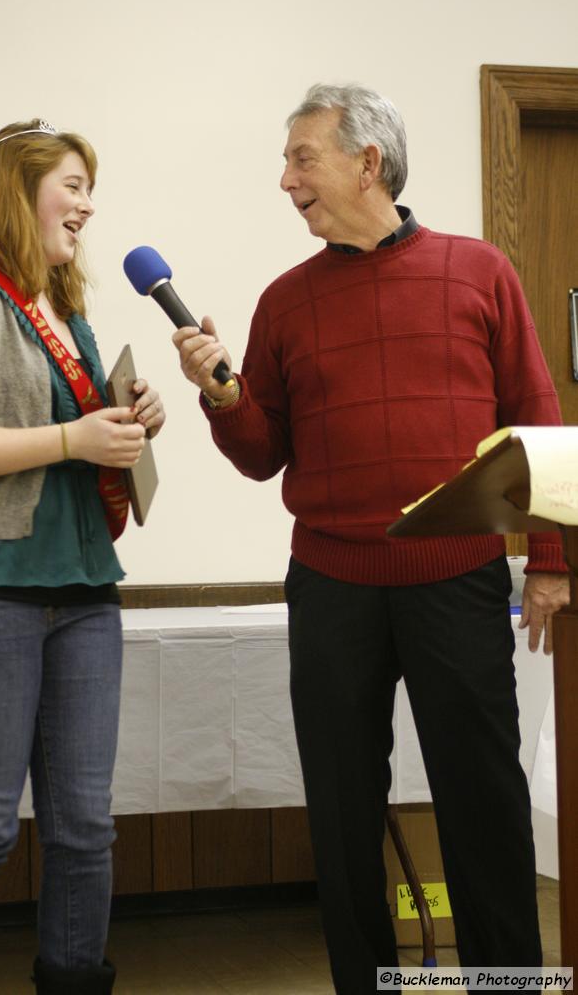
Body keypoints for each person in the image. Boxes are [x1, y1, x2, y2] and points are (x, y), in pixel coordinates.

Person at [172, 84, 570, 992]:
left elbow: (536, 421)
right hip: (330, 585)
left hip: (458, 579)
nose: (285, 181)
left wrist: (547, 563)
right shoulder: (284, 302)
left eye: (300, 158)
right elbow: (262, 456)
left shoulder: (480, 271)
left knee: (483, 803)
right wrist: (225, 398)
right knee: (344, 814)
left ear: (367, 161)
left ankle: (504, 985)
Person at [0, 119, 165, 994]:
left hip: (85, 588)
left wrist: (129, 421)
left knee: (85, 829)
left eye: (90, 188)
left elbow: (79, 442)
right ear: (16, 193)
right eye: (72, 186)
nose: (88, 207)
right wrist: (72, 437)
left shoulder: (70, 309)